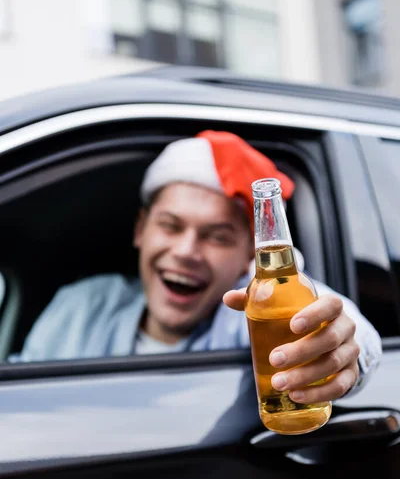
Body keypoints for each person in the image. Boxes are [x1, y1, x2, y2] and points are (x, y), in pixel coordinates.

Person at [13, 130, 381, 404]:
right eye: (170, 226)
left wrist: (340, 350)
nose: (186, 251)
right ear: (141, 228)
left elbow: (338, 322)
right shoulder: (83, 305)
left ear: (246, 258)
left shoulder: (253, 316)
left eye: (217, 236)